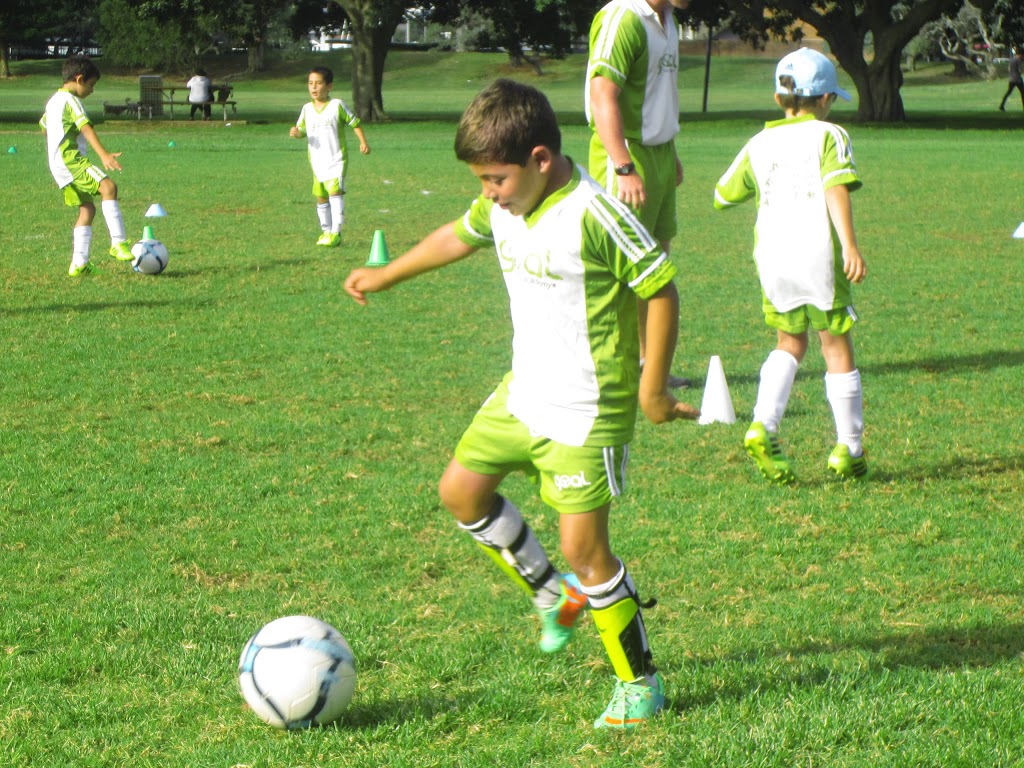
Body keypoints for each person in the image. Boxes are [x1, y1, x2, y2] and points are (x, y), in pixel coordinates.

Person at [344, 79, 699, 728]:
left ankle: (640, 686)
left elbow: (661, 289)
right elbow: (458, 234)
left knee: (586, 550)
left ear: (540, 160)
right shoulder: (505, 206)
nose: (488, 194)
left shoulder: (596, 214)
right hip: (522, 392)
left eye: (494, 179)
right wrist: (384, 275)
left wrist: (653, 389)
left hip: (588, 409)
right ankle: (553, 599)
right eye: (481, 180)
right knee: (461, 493)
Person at [713, 47, 868, 485]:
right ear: (823, 100)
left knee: (789, 341)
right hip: (817, 253)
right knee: (835, 345)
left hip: (772, 258)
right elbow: (836, 189)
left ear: (780, 99)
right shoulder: (829, 136)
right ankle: (849, 448)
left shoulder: (758, 143)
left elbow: (723, 195)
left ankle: (764, 423)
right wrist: (850, 246)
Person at [586, 0, 692, 389]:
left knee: (653, 268)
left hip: (659, 154)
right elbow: (602, 94)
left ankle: (648, 367)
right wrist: (623, 165)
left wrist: (671, 151)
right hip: (627, 155)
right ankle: (611, 370)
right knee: (619, 270)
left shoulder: (668, 19)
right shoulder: (623, 17)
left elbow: (656, 95)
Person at [39, 54, 134, 277]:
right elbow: (86, 127)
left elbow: (44, 127)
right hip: (71, 160)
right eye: (91, 85)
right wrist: (104, 155)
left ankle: (79, 263)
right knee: (109, 188)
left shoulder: (53, 101)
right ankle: (118, 243)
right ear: (79, 79)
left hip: (57, 164)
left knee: (87, 209)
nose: (92, 90)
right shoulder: (71, 100)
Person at [289, 66, 370, 248]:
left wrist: (363, 142)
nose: (314, 87)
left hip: (336, 159)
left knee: (335, 192)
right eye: (311, 83)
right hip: (317, 162)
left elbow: (354, 123)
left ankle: (336, 232)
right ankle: (326, 230)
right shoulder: (307, 109)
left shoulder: (337, 105)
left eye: (318, 83)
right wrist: (297, 133)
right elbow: (302, 130)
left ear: (329, 86)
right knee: (320, 196)